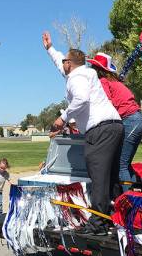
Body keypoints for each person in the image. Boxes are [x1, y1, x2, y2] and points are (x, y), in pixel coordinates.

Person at [43, 33, 122, 236]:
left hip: (100, 130)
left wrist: (62, 118)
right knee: (111, 177)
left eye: (64, 61)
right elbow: (61, 65)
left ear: (70, 63)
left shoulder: (76, 78)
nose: (62, 64)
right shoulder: (84, 73)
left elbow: (81, 99)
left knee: (98, 178)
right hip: (115, 126)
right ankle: (117, 217)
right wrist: (50, 49)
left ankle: (98, 225)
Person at [84, 51, 142, 186]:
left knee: (121, 165)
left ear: (97, 69)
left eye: (94, 67)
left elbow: (106, 104)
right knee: (125, 163)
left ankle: (127, 202)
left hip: (129, 120)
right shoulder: (115, 82)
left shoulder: (103, 82)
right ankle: (135, 194)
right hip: (137, 119)